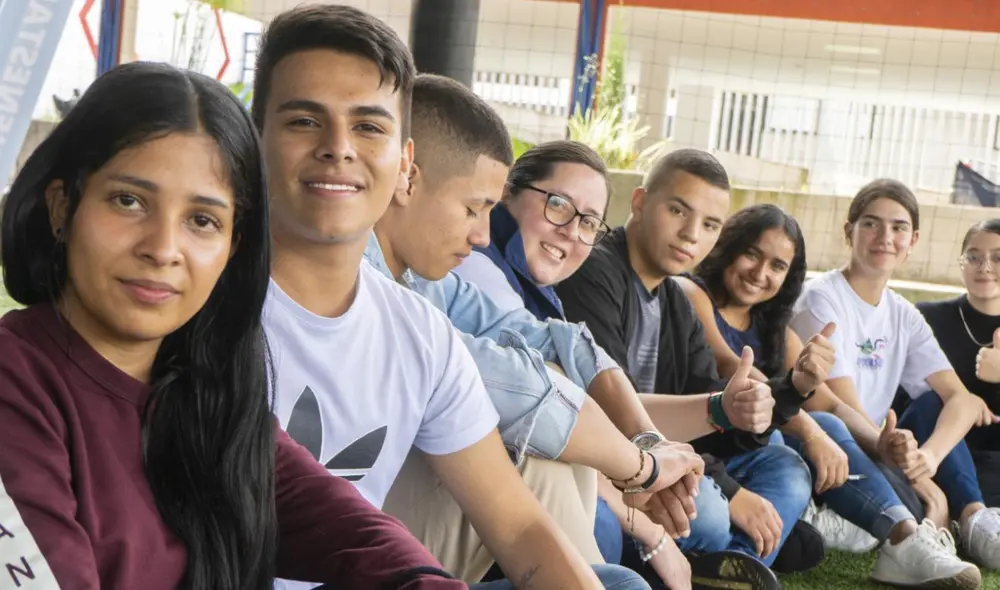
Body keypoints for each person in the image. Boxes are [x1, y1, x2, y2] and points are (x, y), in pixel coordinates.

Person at [0, 61, 472, 590]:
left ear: (234, 246)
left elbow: (358, 533)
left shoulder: (206, 394)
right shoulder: (15, 382)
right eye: (128, 201)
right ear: (62, 207)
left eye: (202, 220)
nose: (162, 249)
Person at [250, 5, 656, 589]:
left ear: (403, 164)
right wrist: (644, 465)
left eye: (368, 126)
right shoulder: (203, 307)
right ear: (253, 136)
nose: (338, 147)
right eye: (304, 121)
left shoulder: (420, 323)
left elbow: (518, 529)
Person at [369, 73, 789, 590]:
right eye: (558, 206)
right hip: (396, 521)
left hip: (542, 487)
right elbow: (527, 394)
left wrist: (656, 445)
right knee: (651, 521)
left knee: (776, 472)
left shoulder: (672, 297)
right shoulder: (462, 271)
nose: (479, 233)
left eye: (588, 220)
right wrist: (644, 477)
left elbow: (567, 345)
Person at [554, 149, 828, 579]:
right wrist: (734, 494)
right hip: (614, 463)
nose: (690, 234)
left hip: (673, 460)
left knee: (787, 467)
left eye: (710, 225)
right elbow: (613, 414)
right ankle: (732, 555)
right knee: (714, 517)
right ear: (641, 203)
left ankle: (723, 567)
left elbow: (712, 425)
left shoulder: (674, 303)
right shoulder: (595, 271)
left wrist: (792, 389)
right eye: (678, 210)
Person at [676, 203, 983, 587]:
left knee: (817, 440)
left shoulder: (778, 332)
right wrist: (811, 432)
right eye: (752, 253)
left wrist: (881, 444)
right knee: (816, 430)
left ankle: (739, 569)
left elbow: (832, 404)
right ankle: (901, 538)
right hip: (698, 447)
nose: (760, 272)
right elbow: (733, 370)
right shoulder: (691, 293)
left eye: (777, 266)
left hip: (754, 458)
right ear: (729, 247)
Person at [790, 178, 998, 587]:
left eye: (899, 227)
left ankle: (973, 520)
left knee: (934, 405)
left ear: (913, 238)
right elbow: (838, 407)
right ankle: (894, 527)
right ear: (849, 230)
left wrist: (930, 460)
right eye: (871, 224)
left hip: (883, 452)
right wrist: (921, 484)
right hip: (841, 448)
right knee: (915, 502)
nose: (885, 237)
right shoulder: (823, 298)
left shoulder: (903, 312)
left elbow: (963, 399)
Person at [914, 219, 1000, 568]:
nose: (985, 267)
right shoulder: (927, 317)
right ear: (961, 263)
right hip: (941, 452)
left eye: (998, 257)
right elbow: (911, 403)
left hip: (996, 459)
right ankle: (972, 515)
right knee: (931, 401)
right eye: (974, 256)